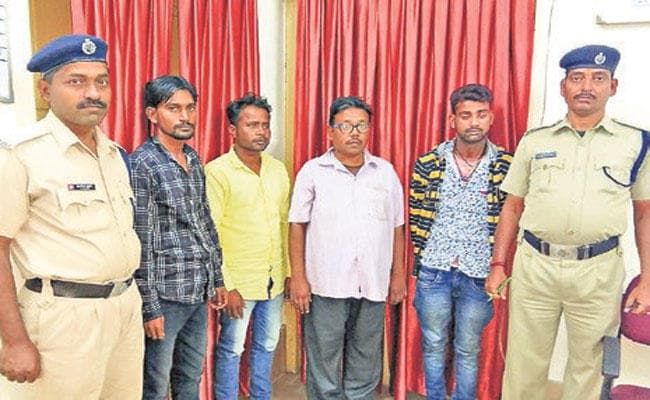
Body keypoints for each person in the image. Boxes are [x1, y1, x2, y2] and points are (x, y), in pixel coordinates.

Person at [485, 44, 650, 399]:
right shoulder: (535, 141)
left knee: (588, 368)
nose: (586, 86)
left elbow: (644, 214)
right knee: (523, 364)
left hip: (598, 272)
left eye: (598, 78)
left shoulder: (636, 143)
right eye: (577, 78)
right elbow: (512, 207)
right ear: (563, 87)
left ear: (613, 86)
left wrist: (648, 279)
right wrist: (498, 265)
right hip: (535, 267)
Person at [0, 35, 144, 399]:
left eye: (102, 81)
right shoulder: (21, 154)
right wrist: (14, 341)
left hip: (124, 307)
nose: (93, 93)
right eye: (76, 81)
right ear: (45, 90)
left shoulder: (114, 154)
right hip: (62, 318)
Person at [288, 96, 407, 399]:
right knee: (323, 359)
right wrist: (298, 278)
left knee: (366, 358)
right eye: (345, 126)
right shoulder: (313, 171)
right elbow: (297, 225)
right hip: (325, 284)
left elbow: (397, 227)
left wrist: (398, 275)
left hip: (373, 283)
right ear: (330, 132)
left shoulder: (385, 173)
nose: (354, 133)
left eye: (361, 126)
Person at [409, 84, 512, 400]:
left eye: (481, 114)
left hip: (479, 274)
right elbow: (415, 214)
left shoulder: (505, 165)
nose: (474, 122)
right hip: (434, 270)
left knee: (468, 348)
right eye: (466, 115)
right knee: (433, 343)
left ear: (491, 118)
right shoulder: (429, 162)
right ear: (453, 120)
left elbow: (511, 218)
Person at [129, 75, 228, 400]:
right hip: (165, 297)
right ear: (152, 114)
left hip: (196, 290)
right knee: (155, 384)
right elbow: (141, 240)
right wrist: (150, 307)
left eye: (190, 108)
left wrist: (217, 279)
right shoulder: (143, 163)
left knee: (190, 376)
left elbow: (204, 222)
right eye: (173, 108)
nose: (185, 116)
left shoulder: (193, 159)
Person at [205, 93, 291, 399]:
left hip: (273, 280)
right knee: (232, 349)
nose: (261, 131)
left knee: (267, 344)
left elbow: (284, 224)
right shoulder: (217, 172)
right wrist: (227, 285)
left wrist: (288, 272)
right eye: (252, 125)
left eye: (265, 125)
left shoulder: (277, 170)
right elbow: (211, 232)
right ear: (233, 129)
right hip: (238, 282)